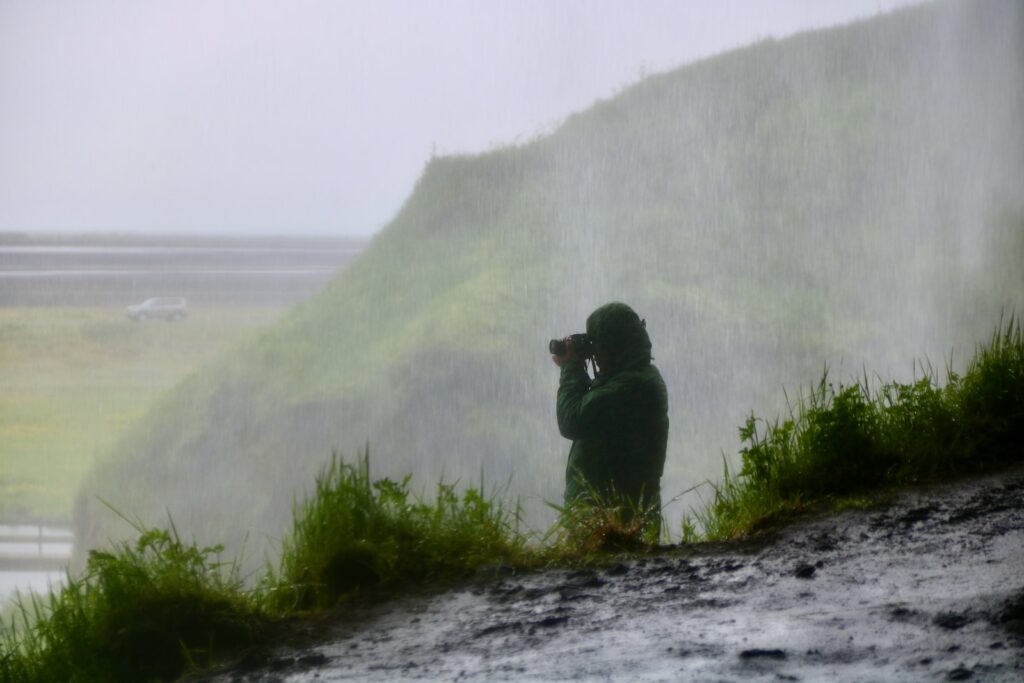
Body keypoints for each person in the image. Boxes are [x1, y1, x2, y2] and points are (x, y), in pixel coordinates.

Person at [551, 302, 669, 529]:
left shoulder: (632, 386)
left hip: (612, 521)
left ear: (615, 346)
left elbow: (571, 420)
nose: (595, 354)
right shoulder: (637, 378)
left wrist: (571, 368)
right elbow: (593, 407)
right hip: (611, 517)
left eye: (599, 346)